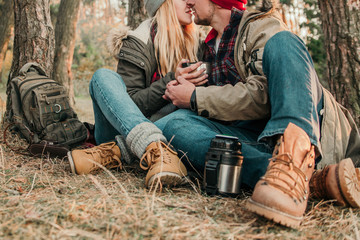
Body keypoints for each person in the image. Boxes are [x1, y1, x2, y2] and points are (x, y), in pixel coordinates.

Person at [153, 0, 360, 228]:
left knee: (283, 42)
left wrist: (195, 97)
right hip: (258, 139)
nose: (189, 1)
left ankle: (296, 163)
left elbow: (263, 95)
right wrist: (184, 86)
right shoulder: (208, 48)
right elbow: (222, 107)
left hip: (311, 131)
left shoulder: (261, 26)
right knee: (175, 125)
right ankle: (297, 180)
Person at [67, 0, 207, 189]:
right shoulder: (138, 42)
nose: (191, 2)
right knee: (103, 76)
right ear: (162, 4)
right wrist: (171, 80)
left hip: (170, 129)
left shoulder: (201, 43)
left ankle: (121, 153)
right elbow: (130, 105)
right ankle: (153, 147)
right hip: (120, 130)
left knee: (186, 110)